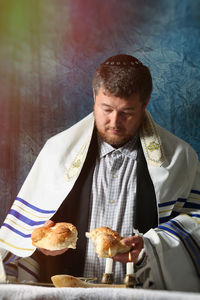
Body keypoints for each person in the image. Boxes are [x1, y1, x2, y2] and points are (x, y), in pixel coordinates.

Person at [0, 54, 199, 291]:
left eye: (127, 112)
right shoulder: (58, 152)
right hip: (68, 293)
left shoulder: (180, 158)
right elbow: (19, 243)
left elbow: (194, 228)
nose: (114, 121)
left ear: (145, 104)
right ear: (94, 97)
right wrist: (37, 244)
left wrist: (152, 246)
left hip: (145, 293)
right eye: (106, 109)